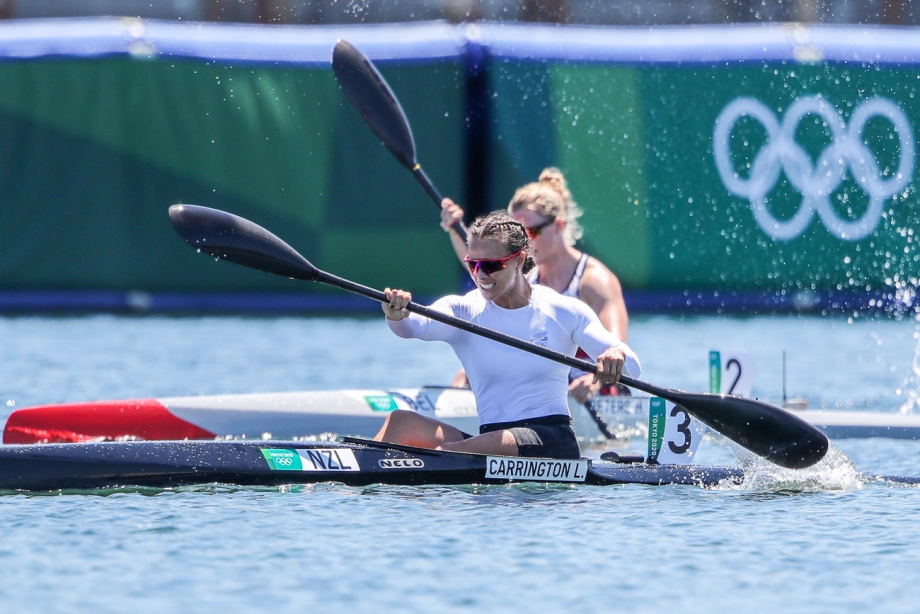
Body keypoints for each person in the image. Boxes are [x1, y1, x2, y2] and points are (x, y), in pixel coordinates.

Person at [375, 211, 640, 459]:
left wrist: (615, 356)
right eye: (473, 264)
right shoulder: (464, 309)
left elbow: (632, 366)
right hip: (494, 437)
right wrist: (397, 314)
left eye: (491, 266)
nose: (480, 274)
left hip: (551, 440)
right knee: (400, 423)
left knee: (446, 452)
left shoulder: (561, 310)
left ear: (519, 261)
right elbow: (415, 326)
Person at [441, 167, 630, 403]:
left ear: (559, 226)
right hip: (544, 387)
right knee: (465, 375)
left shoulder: (595, 281)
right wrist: (454, 227)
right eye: (516, 234)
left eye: (530, 231)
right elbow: (482, 268)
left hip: (594, 393)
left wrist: (596, 380)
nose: (522, 242)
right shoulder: (526, 275)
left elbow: (616, 350)